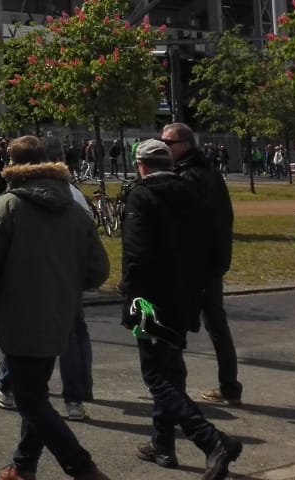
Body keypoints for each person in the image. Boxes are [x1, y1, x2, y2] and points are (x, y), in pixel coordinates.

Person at [0, 135, 112, 480]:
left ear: (13, 163)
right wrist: (64, 283)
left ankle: (82, 468)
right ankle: (23, 466)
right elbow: (98, 270)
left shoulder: (7, 206)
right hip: (59, 315)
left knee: (30, 400)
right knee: (35, 394)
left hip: (21, 316)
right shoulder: (75, 208)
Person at [121, 139, 243, 478]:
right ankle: (162, 442)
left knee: (156, 375)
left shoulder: (142, 196)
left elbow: (136, 253)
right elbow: (214, 242)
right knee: (172, 370)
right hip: (186, 294)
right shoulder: (193, 193)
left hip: (150, 298)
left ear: (142, 166)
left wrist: (130, 294)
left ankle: (211, 440)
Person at [160, 122, 241, 407]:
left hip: (196, 264)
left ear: (184, 145)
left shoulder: (190, 176)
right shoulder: (207, 173)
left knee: (178, 325)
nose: (163, 147)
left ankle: (174, 390)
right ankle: (229, 386)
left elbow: (187, 223)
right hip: (211, 261)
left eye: (168, 143)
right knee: (215, 324)